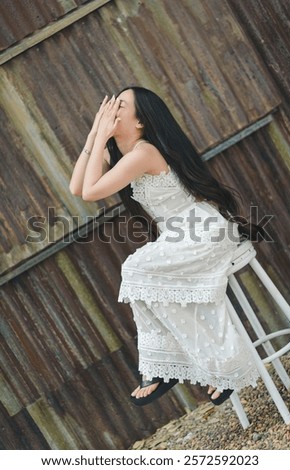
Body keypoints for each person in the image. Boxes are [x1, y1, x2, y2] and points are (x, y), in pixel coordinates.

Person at [69, 86, 264, 407]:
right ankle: (165, 365)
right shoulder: (119, 151)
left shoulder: (143, 152)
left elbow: (91, 192)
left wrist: (100, 137)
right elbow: (78, 187)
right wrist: (94, 135)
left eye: (119, 108)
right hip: (178, 236)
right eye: (110, 108)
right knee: (139, 279)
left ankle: (213, 364)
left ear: (140, 121)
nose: (110, 113)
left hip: (202, 230)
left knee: (135, 271)